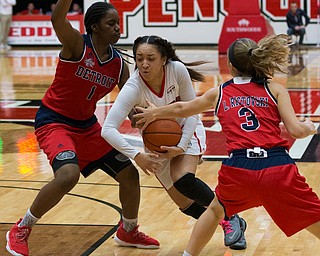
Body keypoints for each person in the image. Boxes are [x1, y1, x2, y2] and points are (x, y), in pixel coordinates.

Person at [134, 34, 320, 256]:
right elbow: (297, 131)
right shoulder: (274, 89)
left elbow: (183, 109)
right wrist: (311, 126)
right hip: (276, 168)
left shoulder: (220, 92)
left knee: (214, 212)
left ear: (230, 66)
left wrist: (155, 112)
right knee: (313, 216)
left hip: (239, 170)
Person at [5, 1, 160, 256]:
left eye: (118, 23)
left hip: (87, 127)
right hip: (54, 121)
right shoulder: (77, 45)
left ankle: (128, 230)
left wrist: (141, 116)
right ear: (94, 27)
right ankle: (22, 228)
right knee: (68, 175)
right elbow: (57, 18)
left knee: (129, 175)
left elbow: (129, 101)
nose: (117, 28)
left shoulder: (119, 64)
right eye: (111, 24)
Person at [101, 35, 247, 250]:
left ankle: (230, 216)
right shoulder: (133, 87)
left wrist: (181, 145)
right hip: (158, 142)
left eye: (150, 58)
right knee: (184, 203)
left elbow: (192, 112)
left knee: (183, 179)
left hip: (188, 128)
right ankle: (228, 221)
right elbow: (107, 129)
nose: (144, 64)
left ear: (164, 59)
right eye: (139, 58)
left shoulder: (176, 70)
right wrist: (137, 155)